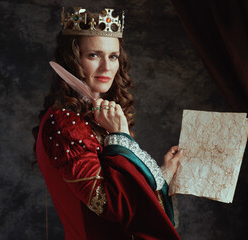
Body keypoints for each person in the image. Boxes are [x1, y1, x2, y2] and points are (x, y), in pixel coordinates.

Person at [32, 7, 183, 240]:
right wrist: (121, 137)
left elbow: (125, 192)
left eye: (113, 56)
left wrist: (161, 177)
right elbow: (114, 206)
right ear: (72, 60)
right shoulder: (65, 124)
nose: (107, 67)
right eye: (94, 55)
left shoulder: (93, 118)